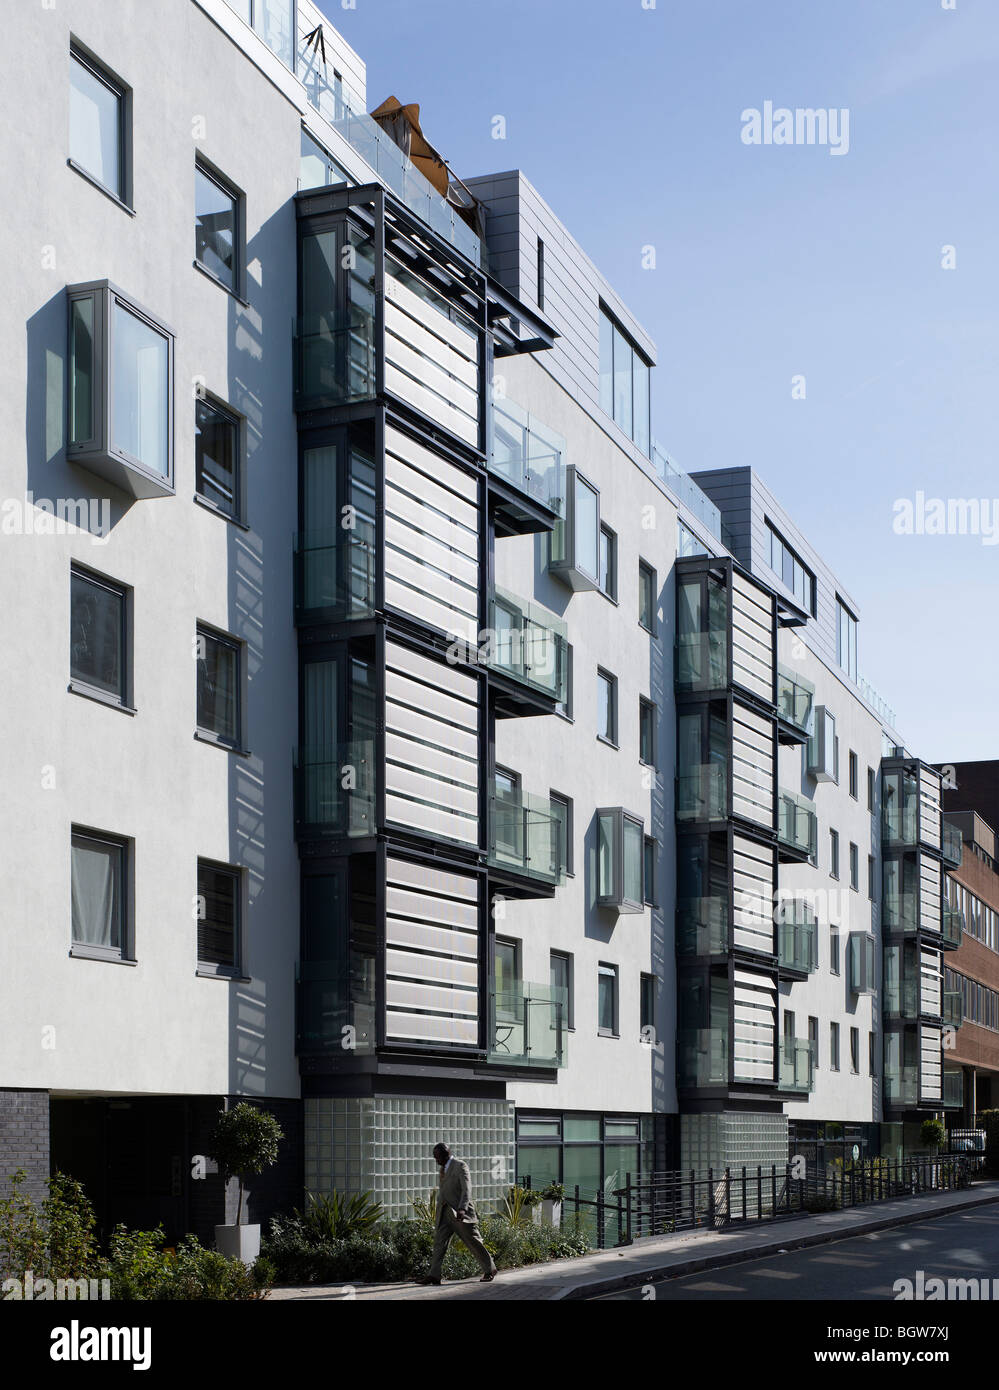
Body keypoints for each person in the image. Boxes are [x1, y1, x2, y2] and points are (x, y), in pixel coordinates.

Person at [416, 1142, 498, 1285]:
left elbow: (467, 1189)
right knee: (439, 1243)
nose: (436, 1160)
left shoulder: (460, 1166)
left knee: (473, 1242)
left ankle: (490, 1269)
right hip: (444, 1213)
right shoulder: (443, 1169)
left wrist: (462, 1208)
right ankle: (434, 1275)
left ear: (446, 1155)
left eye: (437, 1157)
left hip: (459, 1213)